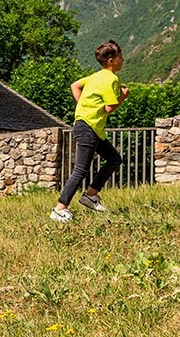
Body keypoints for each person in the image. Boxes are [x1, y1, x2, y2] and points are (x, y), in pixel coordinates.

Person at [50, 40, 130, 222]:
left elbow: (74, 86)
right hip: (89, 127)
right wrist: (123, 97)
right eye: (120, 57)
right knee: (80, 170)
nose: (122, 60)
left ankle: (90, 195)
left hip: (89, 126)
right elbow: (110, 107)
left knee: (114, 159)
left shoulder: (95, 76)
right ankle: (59, 209)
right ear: (111, 60)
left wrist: (84, 107)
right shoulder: (111, 79)